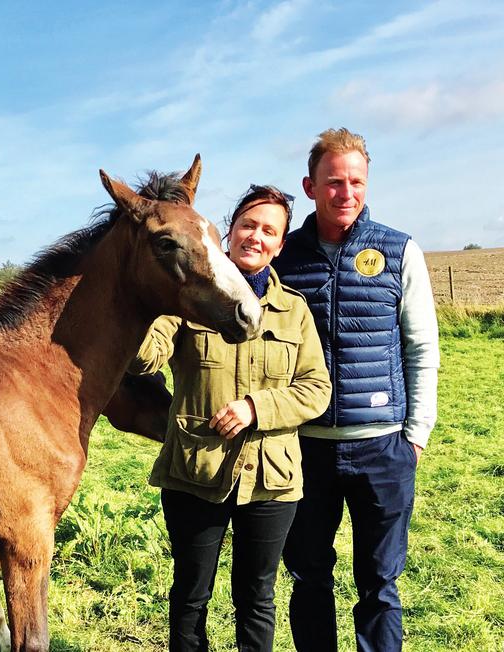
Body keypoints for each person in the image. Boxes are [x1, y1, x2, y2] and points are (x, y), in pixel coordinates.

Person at [132, 185, 332, 652]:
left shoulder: (293, 311)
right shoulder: (186, 299)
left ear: (279, 245)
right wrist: (141, 302)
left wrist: (255, 408)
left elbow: (316, 389)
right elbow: (145, 358)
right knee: (190, 594)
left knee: (257, 596)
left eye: (269, 231)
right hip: (195, 471)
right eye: (248, 225)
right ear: (229, 231)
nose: (255, 237)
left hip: (272, 479)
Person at [274, 128, 440, 652]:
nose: (345, 193)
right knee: (309, 577)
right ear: (310, 185)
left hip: (385, 447)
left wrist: (415, 434)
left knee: (380, 584)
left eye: (356, 182)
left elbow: (421, 346)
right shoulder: (285, 256)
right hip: (305, 447)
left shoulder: (399, 250)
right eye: (333, 182)